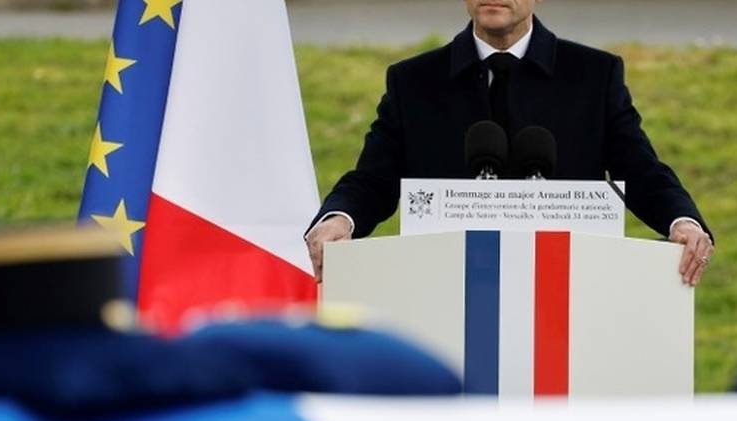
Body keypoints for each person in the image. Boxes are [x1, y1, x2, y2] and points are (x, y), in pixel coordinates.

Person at [305, 0, 714, 286]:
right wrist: (338, 219)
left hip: (569, 293)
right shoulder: (414, 81)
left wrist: (683, 222)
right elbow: (374, 180)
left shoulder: (593, 75)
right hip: (445, 287)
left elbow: (640, 172)